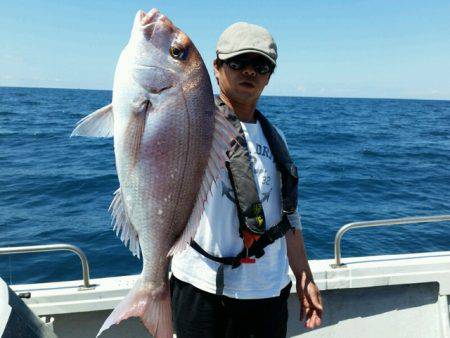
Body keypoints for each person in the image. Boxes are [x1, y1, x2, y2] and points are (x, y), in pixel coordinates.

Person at [170, 21, 323, 338]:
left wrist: (304, 275)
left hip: (268, 291)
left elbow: (288, 217)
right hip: (200, 286)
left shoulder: (276, 137)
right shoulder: (192, 127)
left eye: (261, 65)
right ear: (215, 67)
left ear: (269, 75)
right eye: (237, 62)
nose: (249, 72)